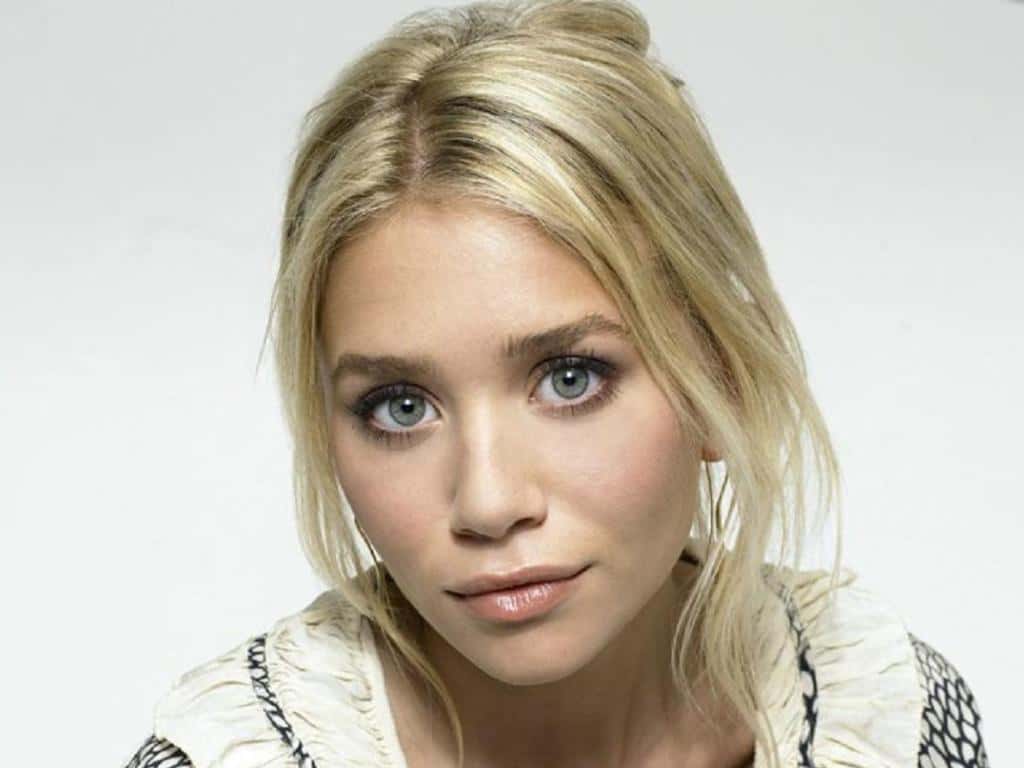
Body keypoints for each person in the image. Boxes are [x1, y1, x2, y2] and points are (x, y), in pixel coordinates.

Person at [122, 1, 989, 766]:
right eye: (400, 407)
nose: (489, 504)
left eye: (570, 379)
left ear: (718, 374)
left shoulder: (885, 726)